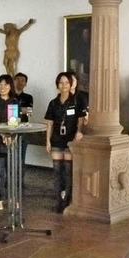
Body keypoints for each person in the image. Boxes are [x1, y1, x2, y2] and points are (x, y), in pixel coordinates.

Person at [44, 72, 85, 213]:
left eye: (66, 82)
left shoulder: (77, 101)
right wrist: (47, 141)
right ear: (57, 85)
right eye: (61, 83)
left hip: (70, 140)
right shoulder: (53, 103)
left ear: (71, 84)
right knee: (57, 171)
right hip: (56, 139)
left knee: (68, 171)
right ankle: (58, 200)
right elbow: (49, 123)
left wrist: (79, 132)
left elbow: (80, 120)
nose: (64, 85)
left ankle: (68, 199)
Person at [0, 74, 18, 211]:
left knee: (12, 171)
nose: (2, 87)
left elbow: (13, 121)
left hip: (11, 140)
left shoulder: (14, 102)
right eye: (0, 84)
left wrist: (9, 134)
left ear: (10, 86)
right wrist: (1, 133)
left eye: (6, 84)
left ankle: (12, 197)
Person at [14, 72, 33, 184]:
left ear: (25, 83)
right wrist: (22, 109)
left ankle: (19, 180)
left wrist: (14, 109)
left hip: (23, 129)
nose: (20, 82)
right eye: (18, 79)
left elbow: (30, 112)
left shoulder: (28, 97)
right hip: (9, 129)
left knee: (21, 156)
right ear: (13, 81)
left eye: (23, 80)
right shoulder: (9, 95)